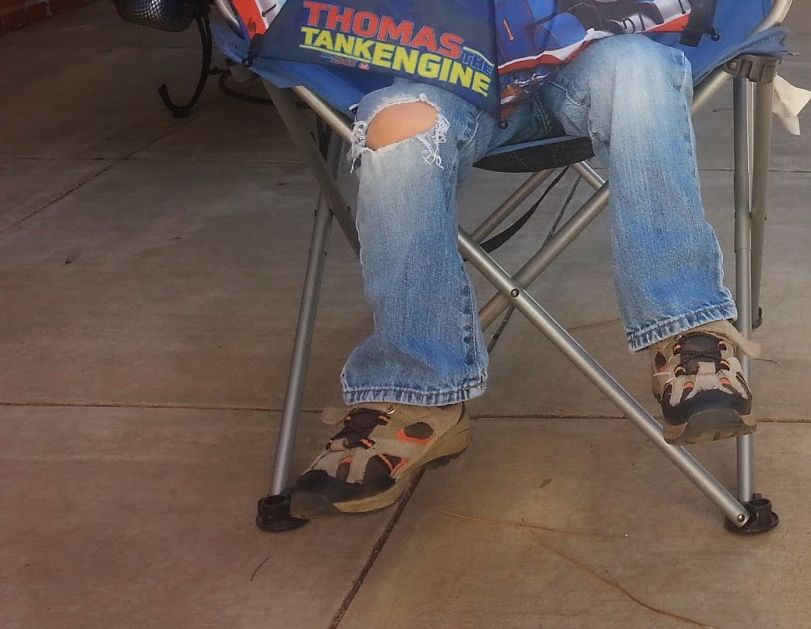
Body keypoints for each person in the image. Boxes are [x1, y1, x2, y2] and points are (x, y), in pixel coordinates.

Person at [287, 33, 754, 518]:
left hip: (589, 51)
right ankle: (418, 393)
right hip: (446, 69)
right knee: (396, 122)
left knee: (640, 65)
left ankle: (686, 328)